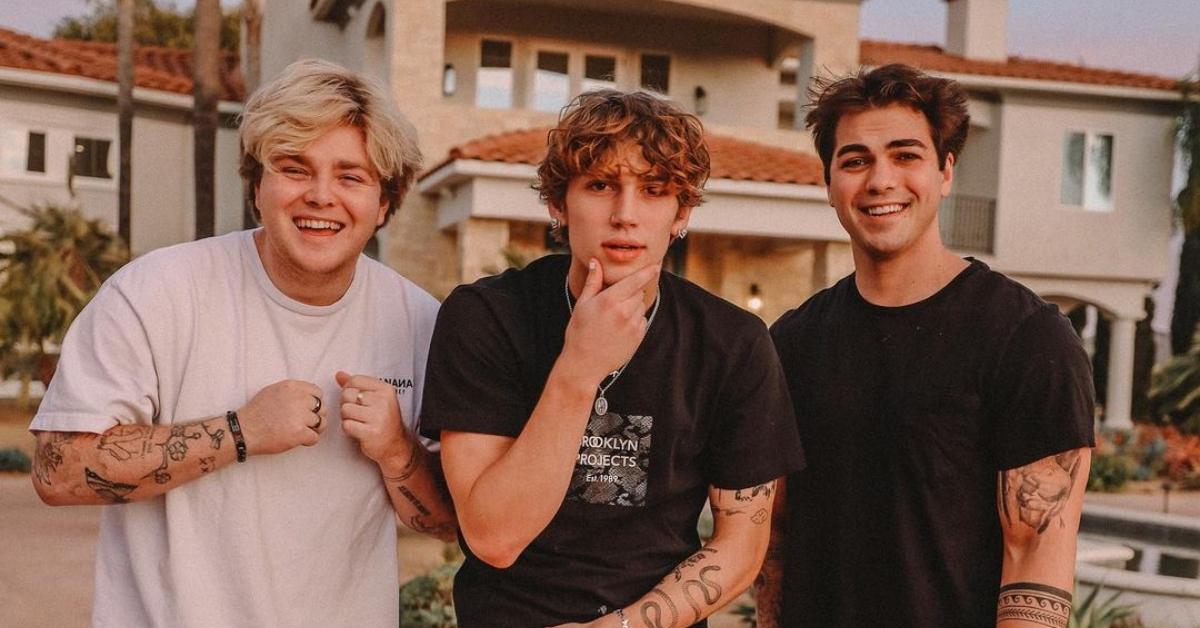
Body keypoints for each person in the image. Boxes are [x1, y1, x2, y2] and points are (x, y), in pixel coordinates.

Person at [29, 59, 455, 627]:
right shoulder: (157, 291)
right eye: (294, 168)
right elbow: (58, 472)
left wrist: (397, 451)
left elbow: (452, 523)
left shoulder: (421, 323)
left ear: (383, 203)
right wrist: (240, 431)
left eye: (351, 176)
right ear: (258, 185)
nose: (321, 196)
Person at [419, 89, 804, 627]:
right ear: (558, 203)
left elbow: (742, 541)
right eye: (601, 185)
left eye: (653, 190)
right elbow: (493, 537)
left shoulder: (732, 342)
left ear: (682, 211)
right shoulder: (487, 317)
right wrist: (578, 370)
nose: (626, 215)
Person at [757, 63, 1095, 628]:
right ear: (829, 184)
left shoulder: (1026, 338)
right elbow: (775, 538)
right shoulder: (790, 343)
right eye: (855, 160)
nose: (880, 180)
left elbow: (1035, 553)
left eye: (905, 155)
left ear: (945, 172)